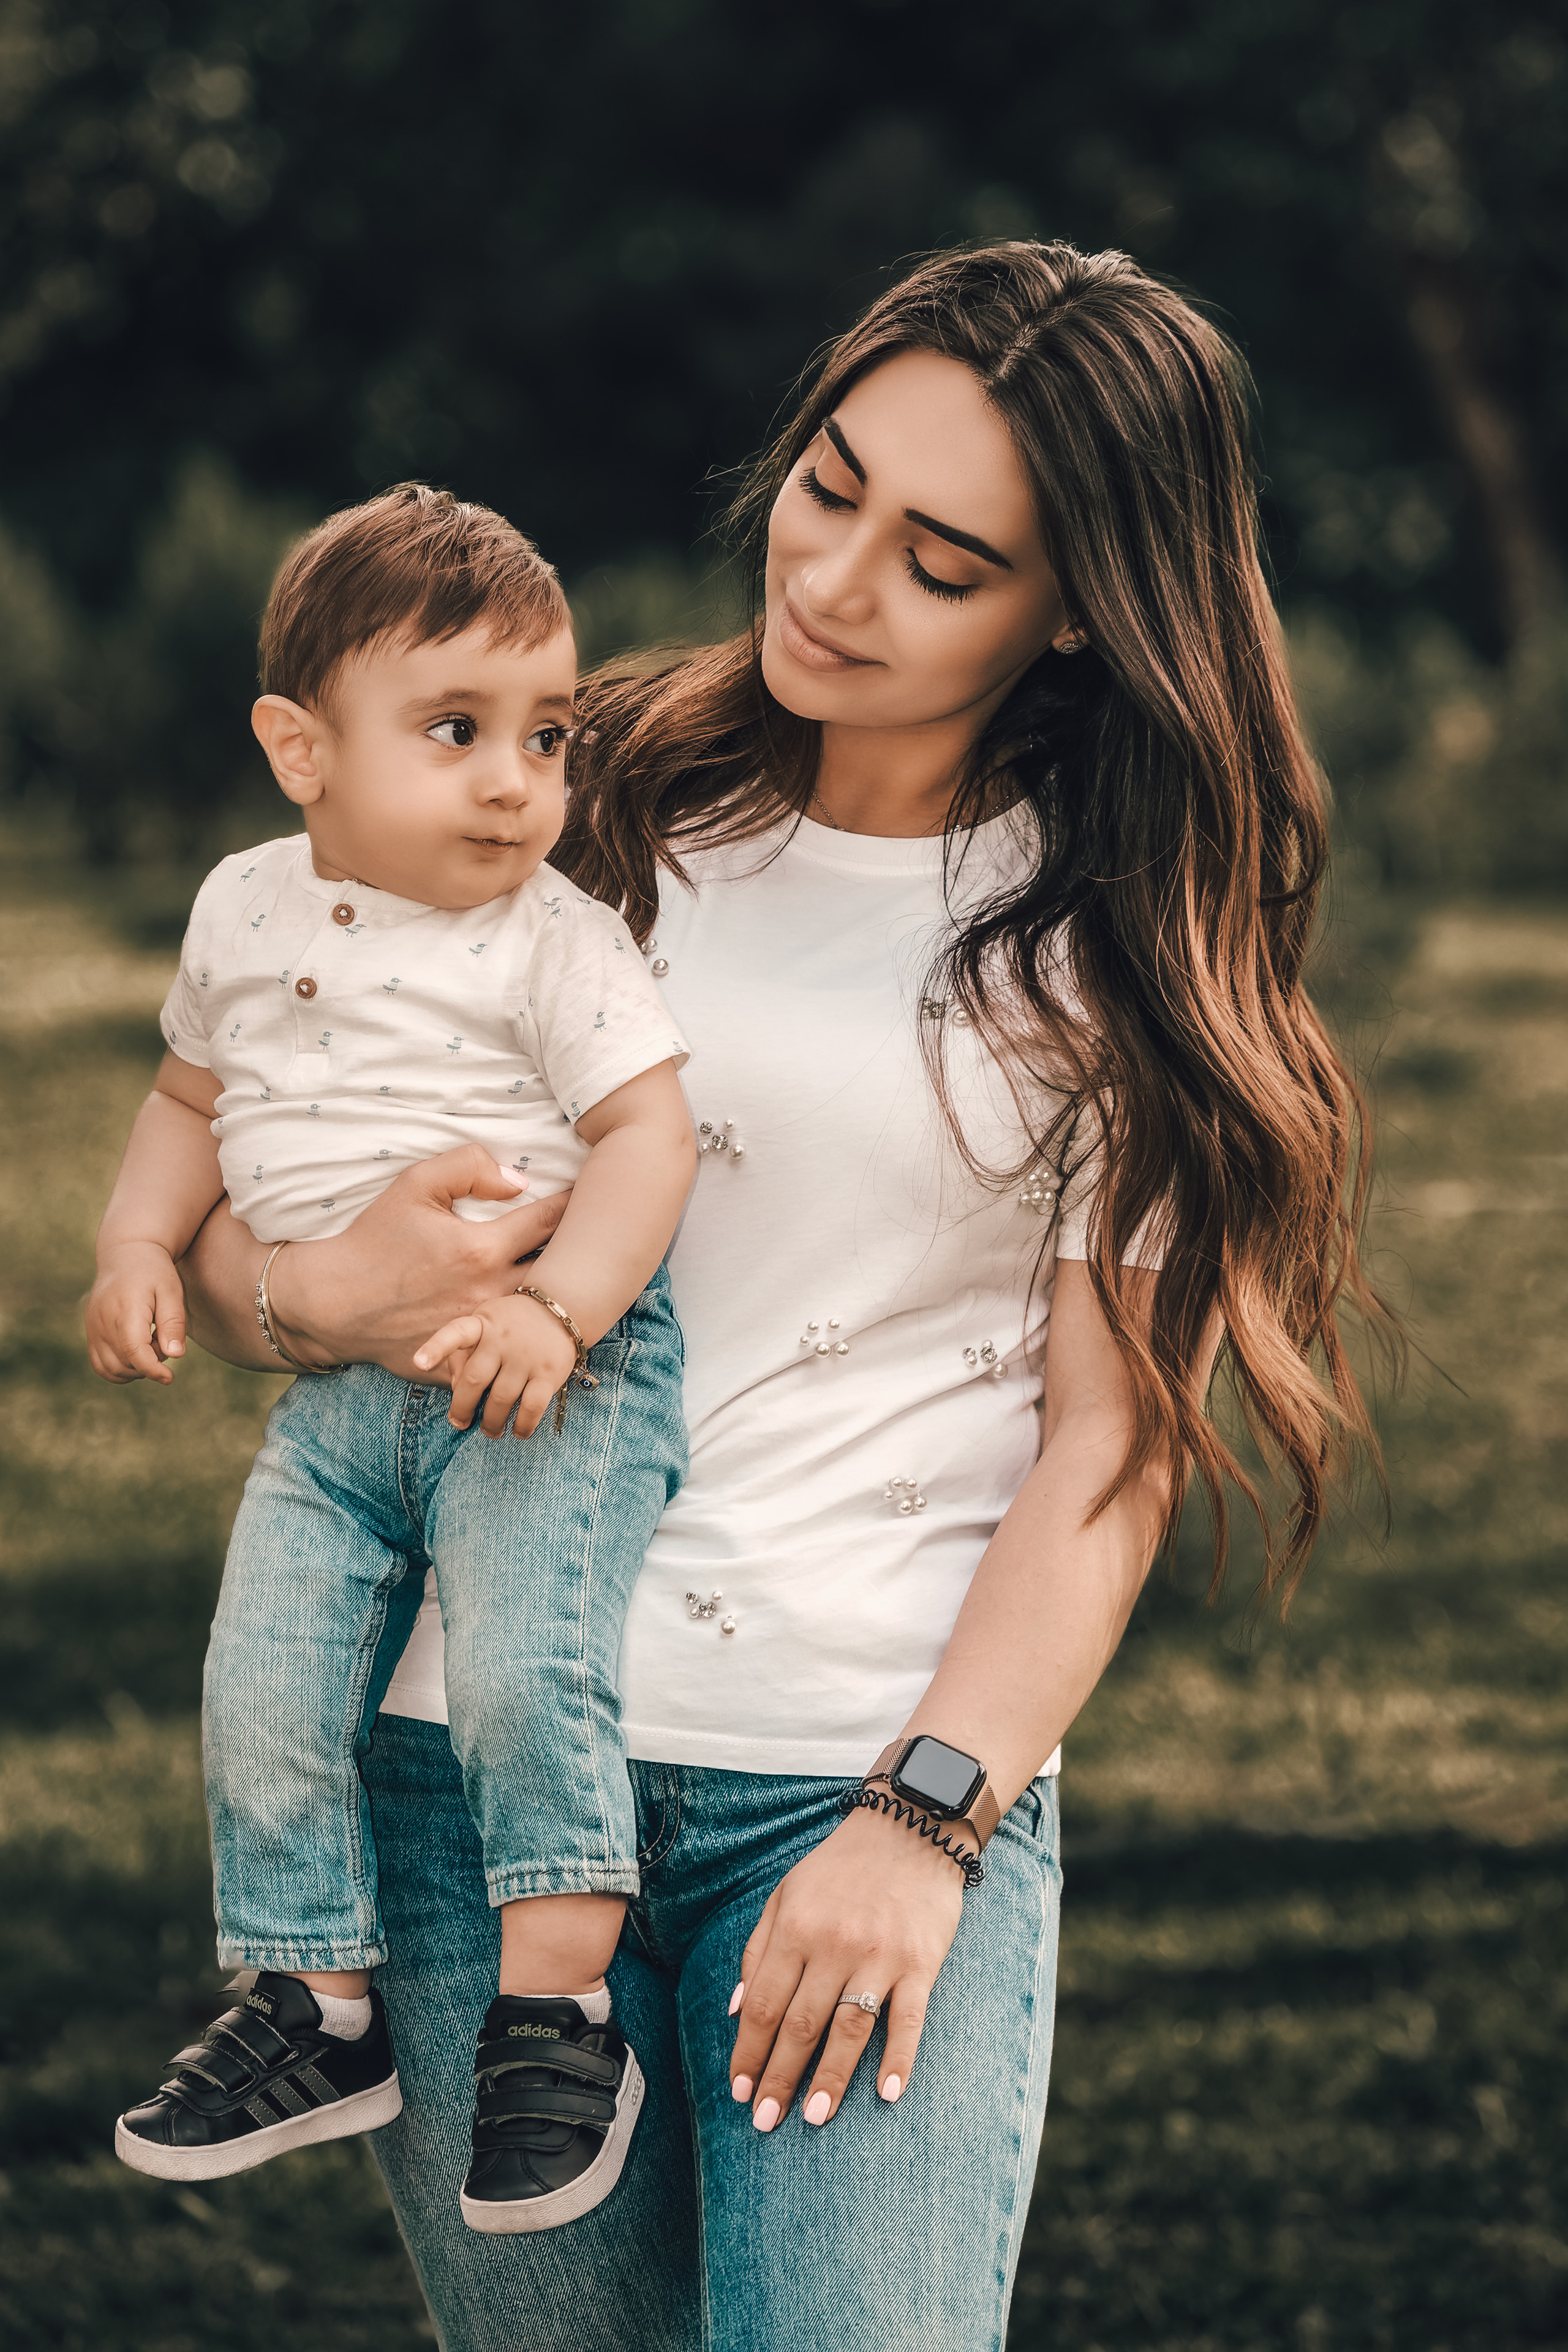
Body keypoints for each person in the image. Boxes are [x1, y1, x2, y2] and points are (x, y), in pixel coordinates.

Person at [175, 241, 1385, 2348]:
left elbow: (1104, 1456)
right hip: (466, 1789)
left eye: (942, 560)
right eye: (830, 488)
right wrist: (306, 1285)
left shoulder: (1122, 958)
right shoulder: (576, 806)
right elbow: (246, 1217)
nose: (832, 581)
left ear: (1080, 603)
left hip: (853, 1794)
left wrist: (926, 1825)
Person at [85, 484, 697, 2228]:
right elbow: (187, 1100)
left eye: (547, 734)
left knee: (524, 1665)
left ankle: (556, 2016)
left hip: (539, 1372)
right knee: (263, 1679)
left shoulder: (556, 940)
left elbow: (649, 1141)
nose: (518, 780)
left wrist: (557, 1309)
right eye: (456, 731)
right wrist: (139, 1241)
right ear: (301, 748)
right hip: (345, 1400)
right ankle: (319, 2001)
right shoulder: (241, 910)